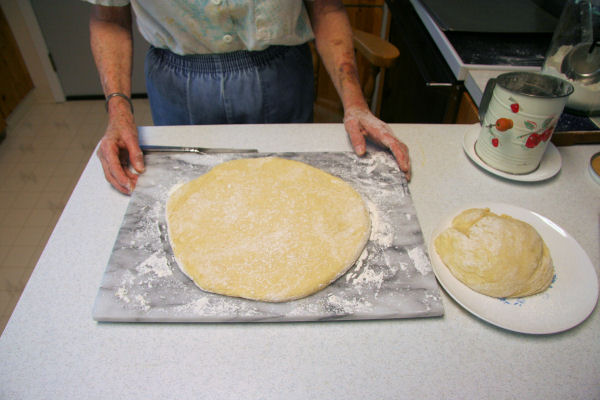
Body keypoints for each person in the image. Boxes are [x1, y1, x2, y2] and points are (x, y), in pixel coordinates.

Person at [85, 0, 411, 194]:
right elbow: (109, 19)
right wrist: (118, 111)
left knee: (288, 197)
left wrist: (355, 103)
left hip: (281, 76)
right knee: (196, 202)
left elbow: (326, 6)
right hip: (178, 85)